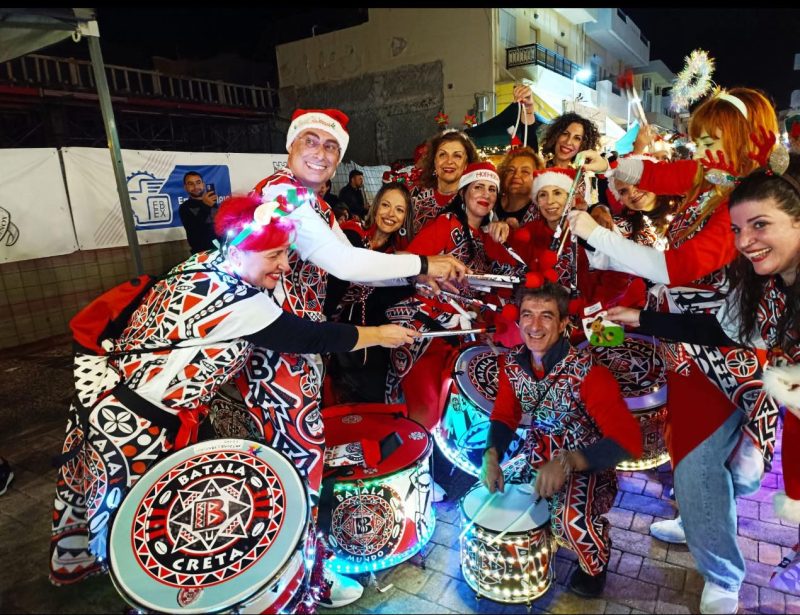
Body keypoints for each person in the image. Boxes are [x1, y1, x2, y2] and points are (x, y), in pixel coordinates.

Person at [49, 193, 418, 592]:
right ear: (240, 252)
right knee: (142, 543)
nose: (285, 265)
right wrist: (379, 334)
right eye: (274, 255)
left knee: (130, 522)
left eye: (286, 252)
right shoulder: (238, 302)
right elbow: (309, 336)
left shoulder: (203, 263)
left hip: (112, 403)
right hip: (135, 427)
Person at [566, 87, 781, 614]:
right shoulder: (715, 179)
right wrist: (612, 164)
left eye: (711, 139)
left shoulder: (748, 202)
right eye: (698, 139)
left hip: (723, 352)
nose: (700, 149)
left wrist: (599, 236)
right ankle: (698, 517)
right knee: (691, 451)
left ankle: (723, 576)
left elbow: (676, 267)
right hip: (683, 344)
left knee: (699, 462)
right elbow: (665, 175)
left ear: (742, 140)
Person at [246, 108, 468, 606]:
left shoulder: (317, 207)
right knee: (293, 465)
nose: (321, 153)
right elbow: (345, 262)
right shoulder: (281, 194)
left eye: (331, 146)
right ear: (290, 146)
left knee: (301, 461)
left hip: (302, 347)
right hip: (275, 349)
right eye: (311, 141)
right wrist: (425, 262)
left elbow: (353, 269)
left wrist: (417, 275)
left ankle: (303, 574)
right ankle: (296, 585)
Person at [605, 154, 800, 528]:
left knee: (706, 456)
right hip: (691, 343)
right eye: (736, 230)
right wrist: (641, 317)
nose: (745, 241)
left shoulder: (703, 207)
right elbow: (722, 329)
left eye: (760, 224)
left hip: (723, 363)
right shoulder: (762, 280)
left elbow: (679, 268)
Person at [480, 281, 642, 598]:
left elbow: (629, 441)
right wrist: (491, 455)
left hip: (589, 467)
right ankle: (532, 551)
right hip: (536, 456)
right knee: (490, 495)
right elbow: (504, 415)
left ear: (564, 323)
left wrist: (569, 461)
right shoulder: (511, 365)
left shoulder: (589, 373)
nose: (535, 326)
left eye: (547, 316)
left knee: (568, 519)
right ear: (518, 320)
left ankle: (595, 563)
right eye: (528, 315)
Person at [385, 161, 526, 434]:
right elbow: (403, 260)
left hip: (465, 332)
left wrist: (507, 230)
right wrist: (423, 272)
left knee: (458, 415)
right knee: (426, 414)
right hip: (427, 328)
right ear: (463, 193)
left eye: (492, 189)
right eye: (478, 187)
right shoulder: (446, 224)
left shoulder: (488, 235)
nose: (485, 194)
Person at [324, 182, 416, 403]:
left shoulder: (399, 257)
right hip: (324, 321)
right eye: (385, 205)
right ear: (375, 207)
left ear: (405, 219)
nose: (391, 214)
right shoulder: (350, 233)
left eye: (399, 210)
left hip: (365, 335)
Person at [410, 129, 481, 234]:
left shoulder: (475, 202)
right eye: (442, 154)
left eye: (457, 156)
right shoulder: (414, 194)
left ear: (466, 164)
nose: (449, 161)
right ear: (434, 160)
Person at [495, 145, 545, 227]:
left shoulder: (543, 212)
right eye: (511, 170)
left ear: (537, 178)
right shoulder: (490, 203)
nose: (516, 175)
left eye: (525, 171)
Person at [178, 171, 219, 254]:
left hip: (220, 249)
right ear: (185, 187)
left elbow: (218, 224)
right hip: (201, 253)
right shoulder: (185, 207)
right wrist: (206, 205)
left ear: (203, 185)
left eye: (198, 182)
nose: (195, 187)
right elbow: (198, 229)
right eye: (190, 184)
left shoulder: (212, 203)